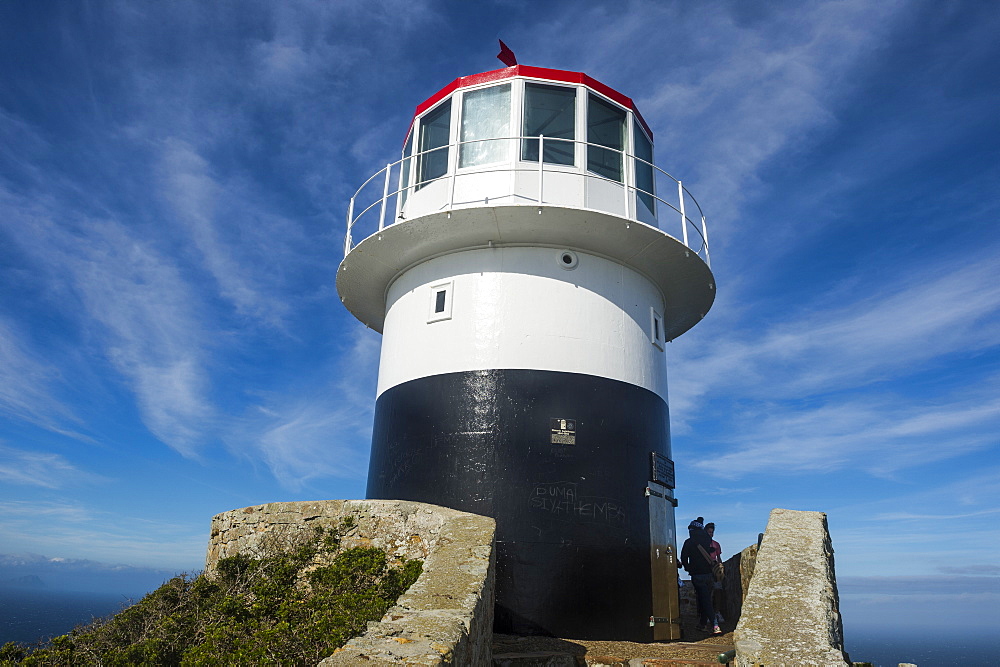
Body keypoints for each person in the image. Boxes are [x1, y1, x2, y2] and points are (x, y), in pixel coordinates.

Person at [680, 518, 721, 635]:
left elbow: (683, 558)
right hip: (709, 574)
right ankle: (702, 624)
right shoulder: (707, 539)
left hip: (697, 575)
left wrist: (688, 568)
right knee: (706, 598)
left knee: (704, 600)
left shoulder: (689, 542)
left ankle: (715, 624)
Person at [705, 522, 725, 626]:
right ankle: (710, 614)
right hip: (706, 570)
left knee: (718, 591)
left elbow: (718, 557)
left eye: (712, 532)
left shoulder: (716, 544)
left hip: (714, 570)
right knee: (709, 593)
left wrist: (720, 568)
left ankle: (717, 612)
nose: (711, 534)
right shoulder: (703, 544)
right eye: (709, 532)